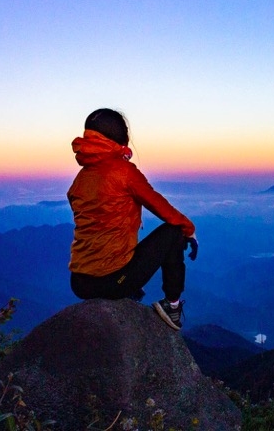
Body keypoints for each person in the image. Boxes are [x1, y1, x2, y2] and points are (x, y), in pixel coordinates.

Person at [67, 108, 198, 330]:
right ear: (119, 136)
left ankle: (129, 289)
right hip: (110, 281)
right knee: (173, 232)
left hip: (79, 282)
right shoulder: (124, 172)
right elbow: (158, 204)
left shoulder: (80, 180)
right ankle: (172, 307)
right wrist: (189, 229)